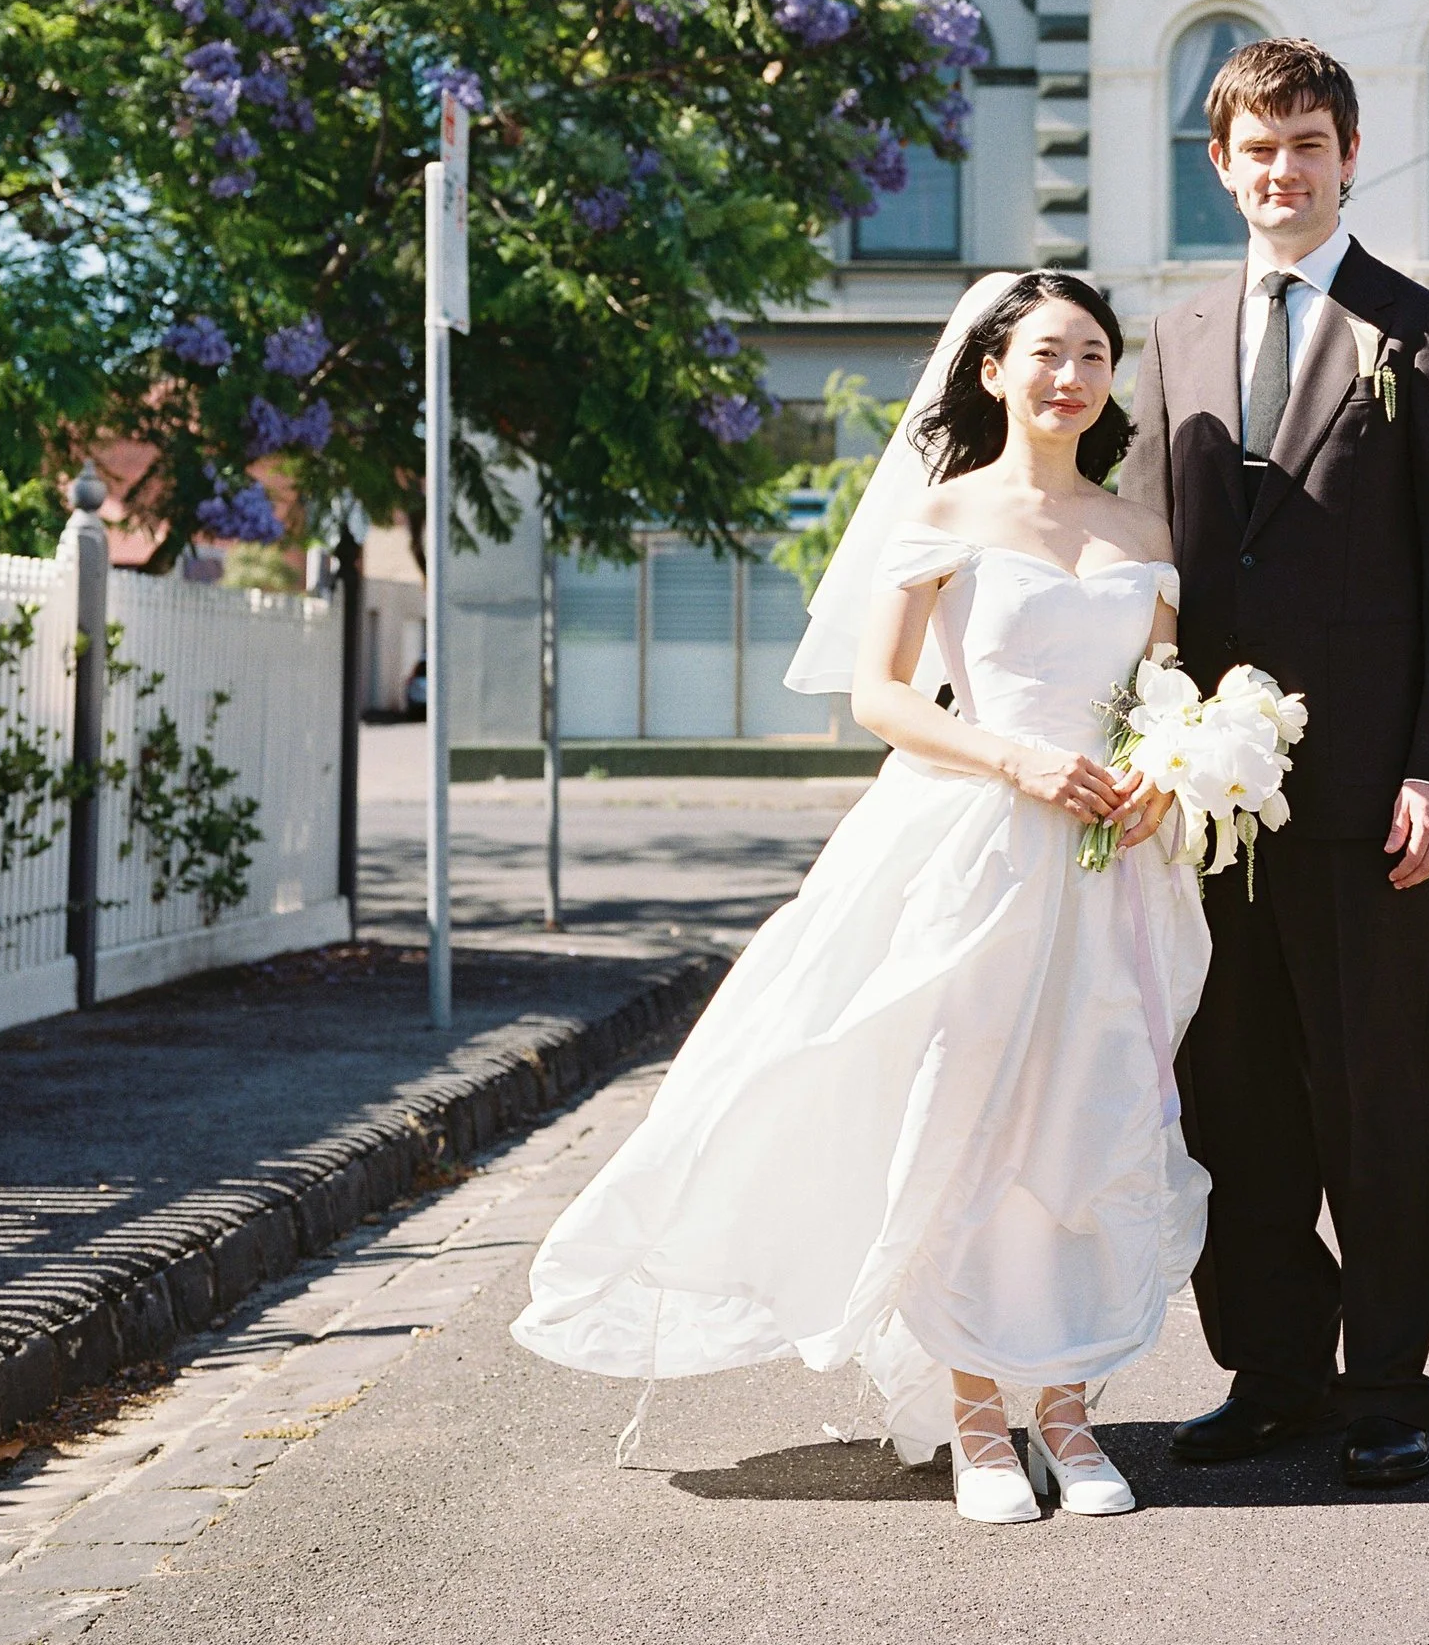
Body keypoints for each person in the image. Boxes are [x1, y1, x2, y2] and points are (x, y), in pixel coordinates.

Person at [511, 271, 1207, 1526]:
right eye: (1044, 351)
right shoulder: (942, 512)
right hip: (976, 843)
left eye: (1093, 354)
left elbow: (1161, 695)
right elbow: (880, 698)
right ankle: (981, 1417)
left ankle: (1069, 1408)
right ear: (991, 369)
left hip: (1104, 871)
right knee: (964, 1115)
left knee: (1083, 1119)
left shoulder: (1140, 530)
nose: (1069, 375)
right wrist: (1015, 757)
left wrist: (1162, 772)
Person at [1122, 36, 1429, 1491]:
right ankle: (1273, 1372)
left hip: (1367, 803)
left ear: (1351, 157)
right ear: (1219, 166)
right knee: (1235, 1103)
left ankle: (1392, 1383)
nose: (1282, 170)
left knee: (1376, 1098)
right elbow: (1154, 558)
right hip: (1207, 807)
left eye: (1308, 144)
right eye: (1255, 148)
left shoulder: (1422, 333)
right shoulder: (1169, 338)